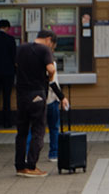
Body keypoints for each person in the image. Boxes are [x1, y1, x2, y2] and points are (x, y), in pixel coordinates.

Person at [14, 29, 59, 178]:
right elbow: (51, 68)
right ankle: (31, 166)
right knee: (38, 131)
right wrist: (50, 77)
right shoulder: (44, 50)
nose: (51, 47)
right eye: (52, 44)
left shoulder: (20, 48)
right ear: (48, 39)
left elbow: (15, 65)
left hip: (21, 95)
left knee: (22, 132)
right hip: (37, 94)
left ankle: (20, 166)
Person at [26, 33, 69, 162]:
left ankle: (28, 154)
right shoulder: (49, 61)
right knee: (53, 128)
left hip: (34, 98)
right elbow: (52, 82)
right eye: (52, 47)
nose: (52, 50)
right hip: (50, 99)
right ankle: (54, 153)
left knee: (33, 129)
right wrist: (62, 97)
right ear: (49, 41)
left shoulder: (29, 57)